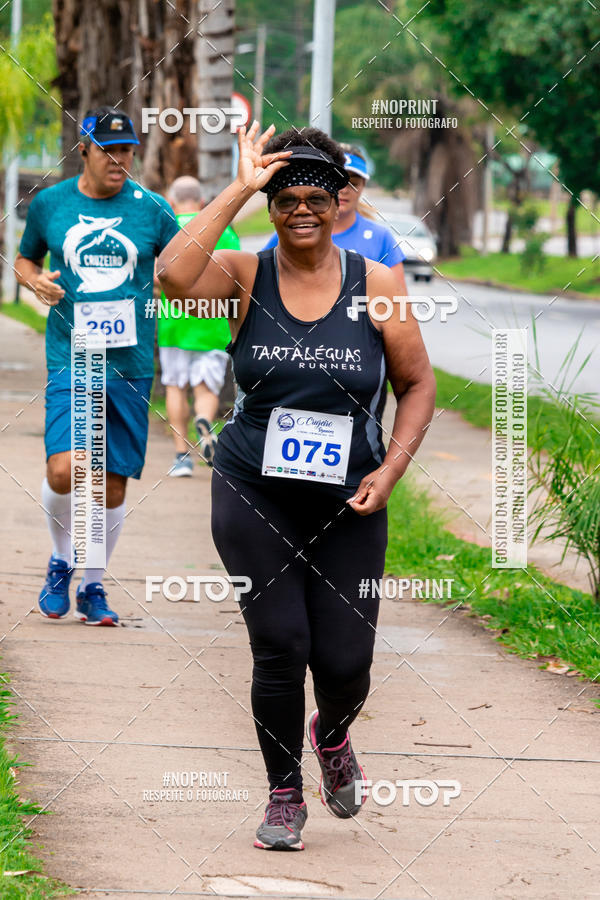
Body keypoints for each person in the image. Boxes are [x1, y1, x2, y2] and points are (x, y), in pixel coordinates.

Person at [158, 123, 436, 850]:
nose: (301, 210)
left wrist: (391, 468)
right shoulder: (245, 275)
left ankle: (333, 733)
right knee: (280, 644)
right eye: (285, 199)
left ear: (342, 200)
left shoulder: (375, 282)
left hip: (348, 499)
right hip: (255, 490)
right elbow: (173, 276)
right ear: (272, 206)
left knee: (346, 663)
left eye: (317, 196)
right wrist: (241, 189)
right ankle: (284, 795)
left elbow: (416, 383)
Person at [15, 105, 179, 625]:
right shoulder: (51, 205)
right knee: (67, 469)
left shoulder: (152, 209)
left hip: (130, 361)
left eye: (129, 150)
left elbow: (184, 265)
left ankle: (92, 585)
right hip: (73, 354)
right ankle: (61, 561)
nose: (121, 160)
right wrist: (32, 280)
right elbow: (24, 258)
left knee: (110, 483)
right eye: (110, 150)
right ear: (82, 149)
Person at [157, 176, 240, 476]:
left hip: (173, 324)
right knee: (206, 389)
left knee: (175, 387)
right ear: (203, 203)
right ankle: (204, 424)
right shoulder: (225, 231)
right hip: (213, 324)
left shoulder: (167, 229)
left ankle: (182, 457)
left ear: (172, 201)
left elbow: (157, 277)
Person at [261, 142, 406, 280]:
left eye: (353, 184)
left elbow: (398, 299)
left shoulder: (380, 237)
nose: (343, 190)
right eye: (337, 183)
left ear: (363, 186)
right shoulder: (291, 233)